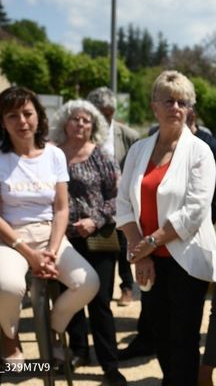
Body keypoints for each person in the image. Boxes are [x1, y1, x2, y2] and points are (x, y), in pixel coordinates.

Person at [0, 86, 99, 362]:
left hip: (50, 237)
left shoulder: (54, 155)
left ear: (39, 116)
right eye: (12, 116)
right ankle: (9, 336)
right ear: (1, 122)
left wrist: (52, 252)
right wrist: (31, 254)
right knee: (10, 286)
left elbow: (61, 208)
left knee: (88, 282)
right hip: (6, 239)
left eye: (27, 113)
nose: (22, 121)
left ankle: (51, 328)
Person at [116, 70, 216, 386]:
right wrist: (141, 251)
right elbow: (123, 204)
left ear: (190, 109)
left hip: (185, 261)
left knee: (183, 339)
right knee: (158, 333)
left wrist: (149, 242)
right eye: (169, 100)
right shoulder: (138, 150)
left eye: (182, 101)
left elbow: (195, 211)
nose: (176, 107)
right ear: (154, 107)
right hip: (149, 261)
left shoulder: (200, 150)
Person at [49, 99, 126, 385]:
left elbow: (117, 197)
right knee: (71, 296)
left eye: (86, 120)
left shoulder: (101, 156)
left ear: (94, 126)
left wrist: (94, 220)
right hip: (63, 239)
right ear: (64, 123)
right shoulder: (52, 155)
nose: (81, 124)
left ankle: (110, 364)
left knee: (100, 301)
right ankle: (78, 350)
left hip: (98, 237)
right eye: (75, 119)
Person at [87, 87, 139, 308]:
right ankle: (99, 295)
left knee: (125, 245)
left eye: (109, 113)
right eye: (101, 113)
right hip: (94, 206)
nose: (106, 118)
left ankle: (127, 287)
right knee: (102, 252)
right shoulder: (84, 133)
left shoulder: (127, 135)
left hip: (123, 203)